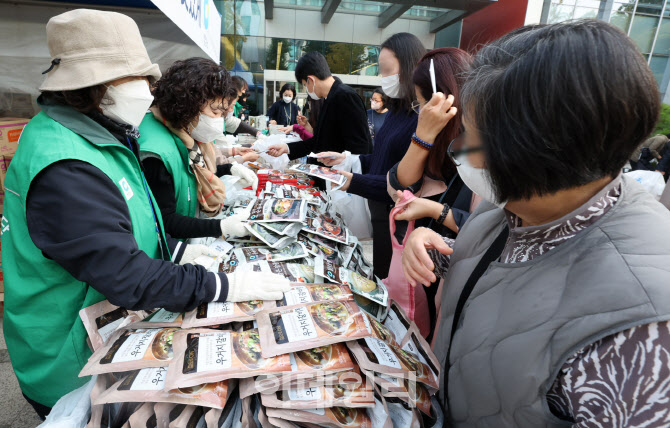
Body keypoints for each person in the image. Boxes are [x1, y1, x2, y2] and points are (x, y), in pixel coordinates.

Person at [1, 10, 289, 418]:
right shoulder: (65, 163)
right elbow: (125, 274)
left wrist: (179, 251)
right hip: (70, 360)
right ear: (93, 86)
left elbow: (141, 218)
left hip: (106, 334)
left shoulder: (103, 138)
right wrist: (224, 285)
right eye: (135, 79)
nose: (147, 90)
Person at [401, 20, 670, 426]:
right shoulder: (516, 205)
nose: (461, 152)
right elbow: (512, 280)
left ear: (529, 154)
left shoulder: (641, 338)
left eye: (470, 140)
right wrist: (435, 249)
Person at [316, 33, 426, 278]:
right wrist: (347, 159)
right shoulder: (397, 111)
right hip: (380, 214)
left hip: (400, 219)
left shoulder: (420, 118)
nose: (382, 78)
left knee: (392, 280)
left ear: (409, 67)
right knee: (381, 273)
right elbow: (381, 159)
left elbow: (403, 182)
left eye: (387, 70)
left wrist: (353, 181)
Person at [385, 48, 475, 338]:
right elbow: (400, 181)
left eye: (422, 103)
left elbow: (489, 225)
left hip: (452, 275)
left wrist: (434, 209)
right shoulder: (435, 135)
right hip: (426, 267)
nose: (420, 111)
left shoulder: (476, 146)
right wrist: (423, 135)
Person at [138, 58, 258, 240]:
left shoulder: (185, 133)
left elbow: (189, 175)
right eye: (215, 112)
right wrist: (220, 227)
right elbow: (165, 220)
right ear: (190, 103)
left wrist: (229, 169)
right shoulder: (157, 151)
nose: (219, 121)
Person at [266, 51, 371, 160]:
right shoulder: (329, 98)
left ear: (311, 80)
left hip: (339, 173)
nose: (306, 89)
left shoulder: (345, 96)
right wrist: (287, 148)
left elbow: (360, 147)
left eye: (304, 85)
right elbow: (319, 141)